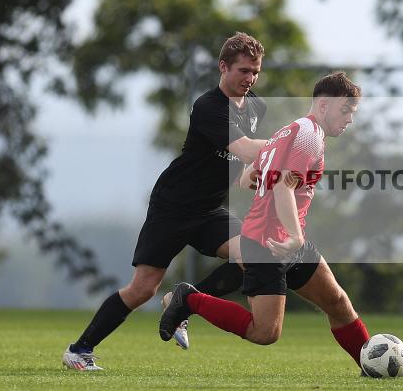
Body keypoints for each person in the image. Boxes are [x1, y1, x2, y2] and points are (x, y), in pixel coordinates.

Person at [62, 33, 269, 371]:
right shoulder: (208, 107)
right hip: (173, 206)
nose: (250, 79)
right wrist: (288, 144)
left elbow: (241, 163)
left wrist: (252, 177)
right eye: (243, 71)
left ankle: (182, 302)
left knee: (254, 256)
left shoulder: (256, 107)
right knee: (143, 289)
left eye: (255, 72)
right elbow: (245, 149)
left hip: (209, 210)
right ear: (223, 67)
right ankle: (79, 350)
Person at [159, 72, 371, 372]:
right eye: (346, 110)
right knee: (265, 332)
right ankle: (189, 299)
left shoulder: (287, 133)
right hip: (268, 244)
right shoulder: (309, 136)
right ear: (324, 105)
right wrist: (294, 235)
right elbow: (283, 185)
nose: (350, 119)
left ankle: (371, 364)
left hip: (286, 239)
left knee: (337, 302)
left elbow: (247, 179)